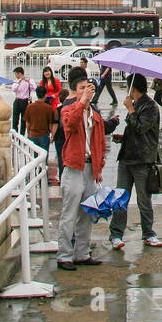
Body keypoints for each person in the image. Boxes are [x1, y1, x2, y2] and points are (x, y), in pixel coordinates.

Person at [56, 70, 106, 270]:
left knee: (87, 212)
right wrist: (81, 103)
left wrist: (99, 165)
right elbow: (69, 124)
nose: (86, 91)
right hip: (73, 166)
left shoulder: (94, 114)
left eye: (88, 88)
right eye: (81, 88)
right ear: (75, 91)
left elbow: (100, 140)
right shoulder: (68, 109)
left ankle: (82, 253)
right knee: (69, 212)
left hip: (89, 167)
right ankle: (64, 254)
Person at [108, 75, 162, 250]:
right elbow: (133, 130)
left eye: (128, 86)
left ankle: (148, 233)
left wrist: (130, 109)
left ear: (133, 88)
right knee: (120, 199)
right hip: (127, 158)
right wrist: (123, 138)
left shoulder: (150, 107)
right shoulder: (137, 105)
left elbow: (141, 129)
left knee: (143, 200)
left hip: (142, 159)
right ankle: (116, 234)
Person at [11, 66, 32, 134]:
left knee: (24, 120)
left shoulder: (28, 81)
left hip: (25, 101)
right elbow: (13, 89)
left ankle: (22, 136)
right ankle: (14, 135)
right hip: (17, 100)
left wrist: (28, 81)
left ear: (20, 73)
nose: (16, 76)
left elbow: (34, 87)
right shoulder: (16, 81)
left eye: (16, 74)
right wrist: (19, 81)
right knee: (15, 119)